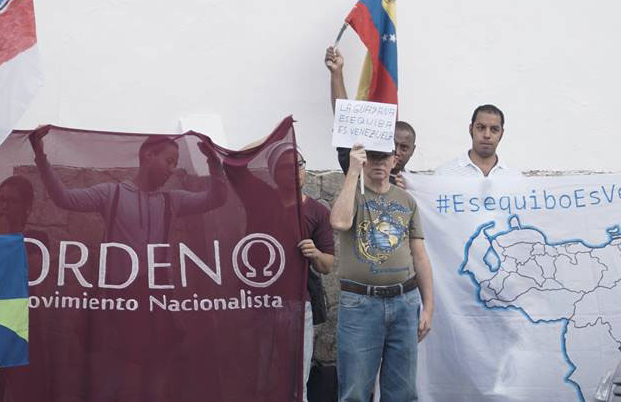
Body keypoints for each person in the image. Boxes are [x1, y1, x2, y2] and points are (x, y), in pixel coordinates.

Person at [225, 141, 335, 401]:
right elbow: (231, 163)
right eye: (286, 167)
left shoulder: (317, 211)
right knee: (260, 373)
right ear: (274, 172)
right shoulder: (261, 198)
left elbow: (327, 265)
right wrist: (273, 138)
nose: (295, 171)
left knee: (298, 380)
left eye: (299, 165)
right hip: (260, 301)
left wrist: (315, 253)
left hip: (299, 306)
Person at [330, 145, 434, 402]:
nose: (378, 162)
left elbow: (419, 255)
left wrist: (428, 307)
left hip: (404, 300)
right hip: (360, 305)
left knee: (402, 391)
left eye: (383, 156)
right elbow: (340, 222)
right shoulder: (351, 194)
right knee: (354, 391)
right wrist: (353, 172)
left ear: (394, 159)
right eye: (372, 156)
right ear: (365, 159)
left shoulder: (406, 200)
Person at [29, 128, 228, 245]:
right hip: (117, 300)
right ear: (148, 156)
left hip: (158, 297)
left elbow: (217, 198)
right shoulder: (110, 194)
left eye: (175, 164)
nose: (172, 169)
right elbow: (64, 198)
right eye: (169, 161)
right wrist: (40, 155)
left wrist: (213, 161)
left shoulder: (173, 201)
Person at [325, 46, 417, 181]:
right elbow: (345, 119)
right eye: (393, 144)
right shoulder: (363, 170)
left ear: (412, 150)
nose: (397, 152)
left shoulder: (414, 187)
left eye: (404, 148)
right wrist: (336, 73)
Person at [435, 104, 521, 178]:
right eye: (480, 128)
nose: (487, 135)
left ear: (501, 133)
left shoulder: (514, 176)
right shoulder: (444, 174)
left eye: (494, 129)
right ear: (470, 129)